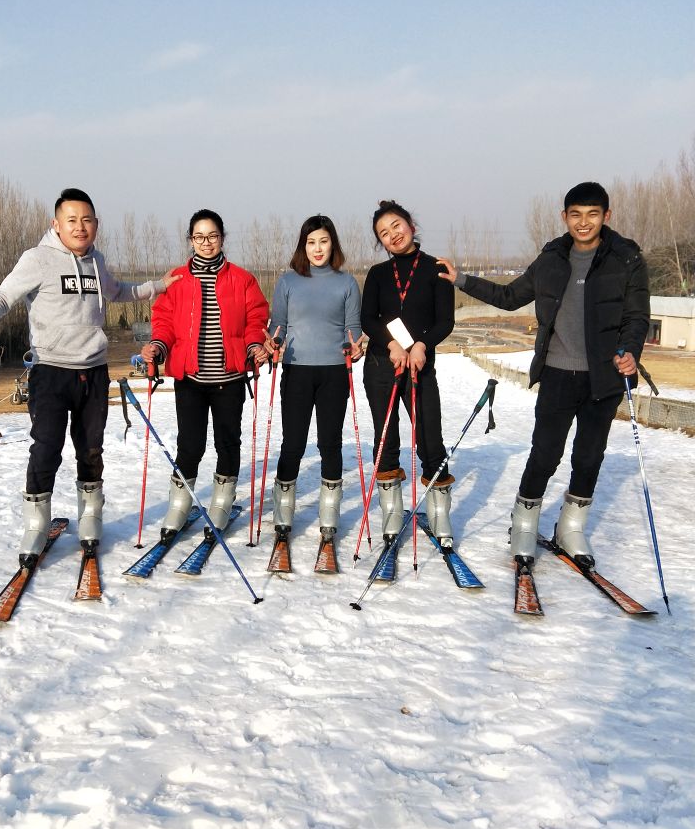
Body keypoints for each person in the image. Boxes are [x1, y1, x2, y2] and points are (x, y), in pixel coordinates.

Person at [438, 180, 650, 566]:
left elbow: (637, 317)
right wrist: (461, 280)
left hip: (604, 379)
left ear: (606, 216)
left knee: (589, 456)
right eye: (576, 215)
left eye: (592, 215)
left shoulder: (627, 259)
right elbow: (508, 297)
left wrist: (631, 352)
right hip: (556, 375)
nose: (583, 223)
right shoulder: (551, 258)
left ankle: (570, 527)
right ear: (564, 216)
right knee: (545, 454)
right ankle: (523, 524)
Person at [0, 188, 176, 566]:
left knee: (91, 448)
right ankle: (36, 524)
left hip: (93, 372)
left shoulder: (97, 261)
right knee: (46, 448)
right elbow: (4, 294)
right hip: (50, 371)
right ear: (56, 225)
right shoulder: (38, 259)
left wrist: (158, 286)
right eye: (72, 220)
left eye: (87, 220)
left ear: (96, 224)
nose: (81, 227)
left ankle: (91, 516)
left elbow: (119, 292)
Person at [140, 209, 269, 538]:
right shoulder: (177, 280)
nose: (206, 243)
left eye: (212, 236)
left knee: (227, 442)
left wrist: (255, 345)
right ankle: (180, 504)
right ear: (190, 240)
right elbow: (165, 322)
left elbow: (256, 319)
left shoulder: (242, 279)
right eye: (199, 237)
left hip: (229, 378)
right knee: (190, 444)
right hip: (190, 379)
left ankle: (223, 500)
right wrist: (157, 345)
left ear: (222, 238)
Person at [361, 200, 456, 546]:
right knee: (385, 438)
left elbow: (445, 320)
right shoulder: (377, 274)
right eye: (384, 234)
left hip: (419, 365)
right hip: (381, 365)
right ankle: (391, 511)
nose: (392, 235)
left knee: (430, 437)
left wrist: (421, 345)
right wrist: (393, 344)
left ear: (411, 224)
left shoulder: (436, 268)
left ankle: (439, 513)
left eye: (396, 226)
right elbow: (369, 318)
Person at [264, 214, 363, 542]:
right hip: (297, 369)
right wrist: (274, 342)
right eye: (311, 242)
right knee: (292, 443)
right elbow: (278, 323)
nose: (317, 248)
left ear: (332, 243)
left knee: (330, 444)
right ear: (302, 246)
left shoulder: (346, 282)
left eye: (323, 241)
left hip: (334, 372)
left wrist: (356, 345)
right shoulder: (288, 282)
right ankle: (282, 515)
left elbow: (353, 328)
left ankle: (329, 516)